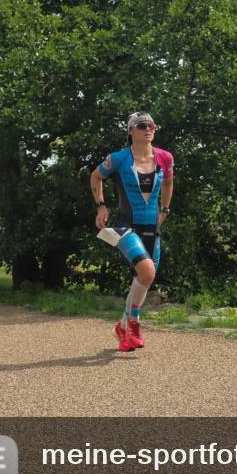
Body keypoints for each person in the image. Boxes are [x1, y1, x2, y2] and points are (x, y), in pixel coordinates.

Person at [90, 112, 174, 352]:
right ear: (130, 131)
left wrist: (165, 210)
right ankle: (134, 324)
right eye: (141, 126)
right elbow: (96, 177)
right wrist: (101, 206)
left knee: (145, 278)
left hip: (152, 226)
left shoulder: (165, 158)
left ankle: (122, 327)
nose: (148, 129)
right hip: (124, 225)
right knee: (146, 271)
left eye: (151, 125)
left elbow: (168, 183)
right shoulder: (118, 159)